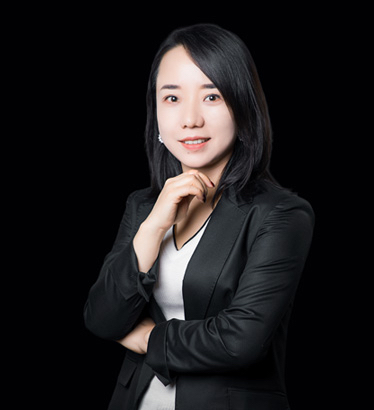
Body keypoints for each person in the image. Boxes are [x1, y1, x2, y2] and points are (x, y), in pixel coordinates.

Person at [84, 23, 314, 410]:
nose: (190, 119)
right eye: (172, 98)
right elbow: (101, 318)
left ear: (242, 106)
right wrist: (154, 226)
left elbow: (239, 341)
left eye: (212, 96)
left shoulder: (280, 214)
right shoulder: (143, 206)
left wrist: (146, 339)